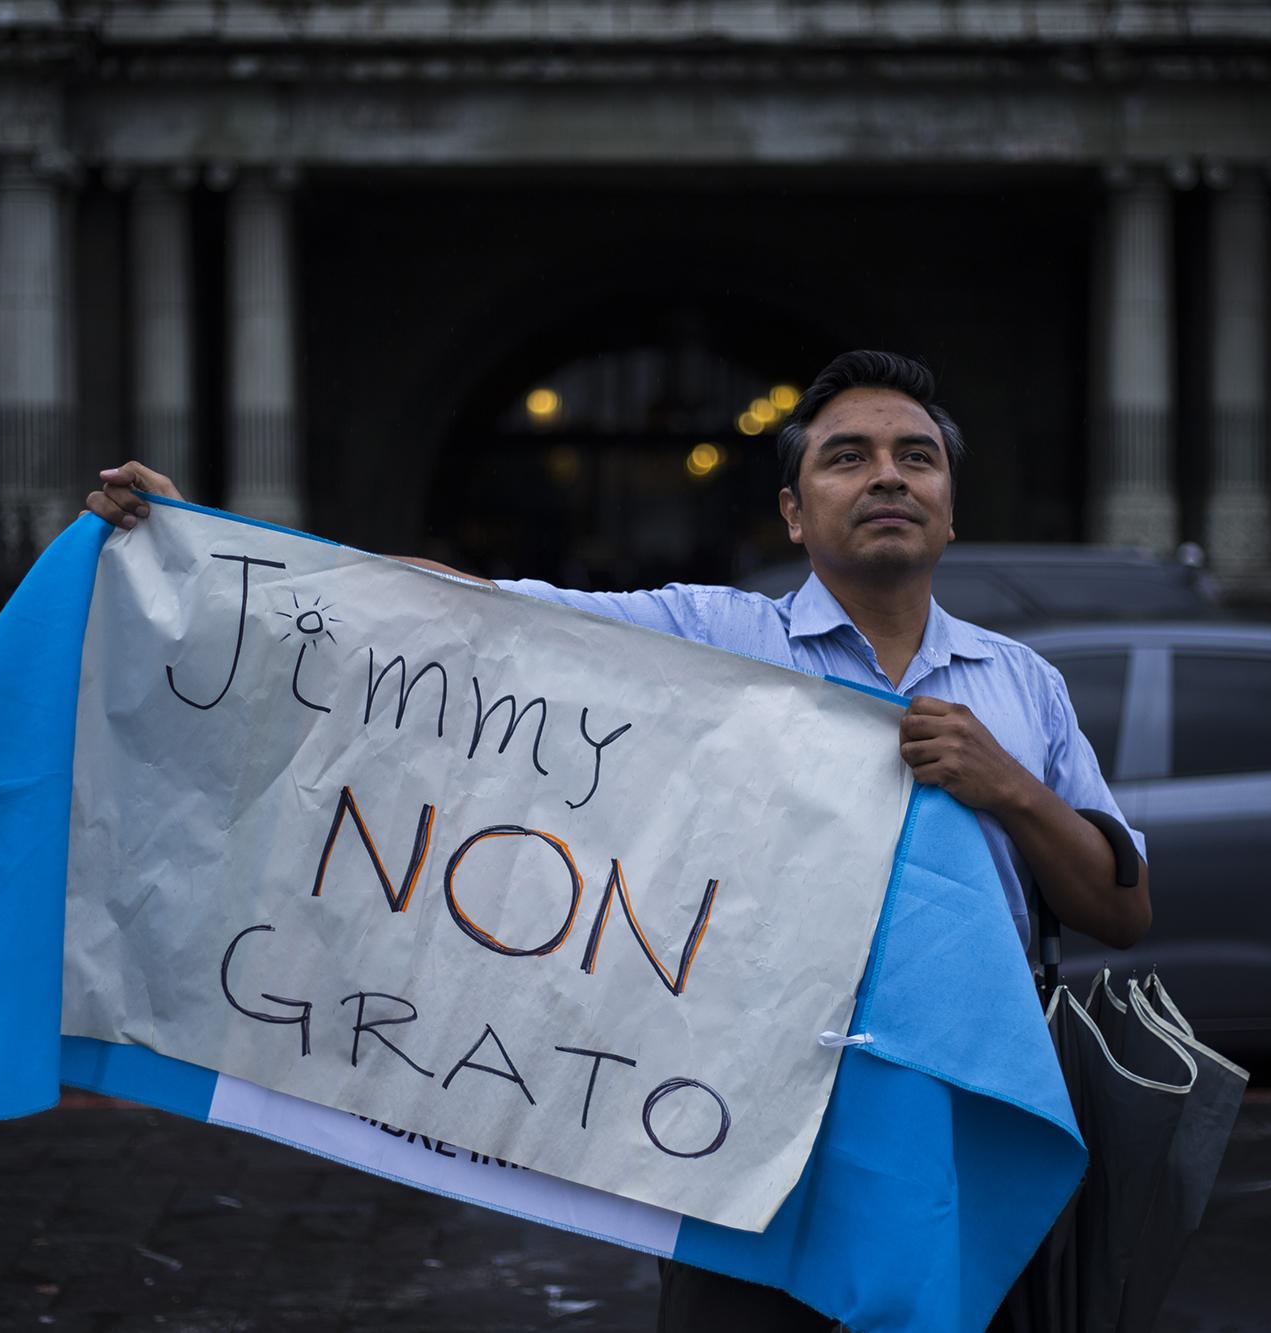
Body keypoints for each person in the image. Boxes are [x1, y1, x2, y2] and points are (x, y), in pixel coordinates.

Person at [88, 348, 1150, 1331]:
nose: (886, 476)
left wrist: (1008, 787)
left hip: (954, 1136)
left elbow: (1120, 909)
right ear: (792, 510)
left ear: (947, 509)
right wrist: (220, 551)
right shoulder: (709, 639)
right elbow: (479, 615)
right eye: (846, 458)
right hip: (741, 1139)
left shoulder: (1021, 687)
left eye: (914, 457)